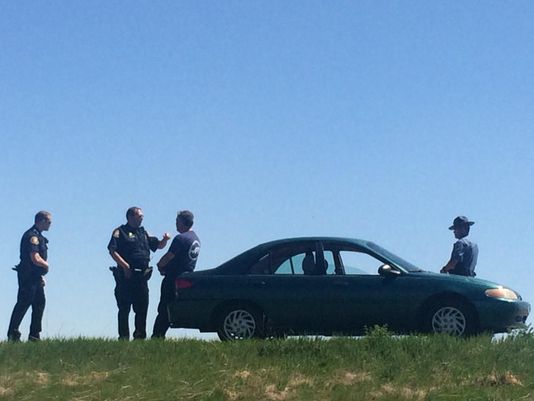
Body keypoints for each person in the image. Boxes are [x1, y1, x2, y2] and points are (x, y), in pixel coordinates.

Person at [108, 207, 170, 340]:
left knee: (142, 308)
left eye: (142, 216)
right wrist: (125, 266)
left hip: (141, 277)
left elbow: (158, 245)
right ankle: (123, 337)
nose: (142, 218)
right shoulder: (120, 232)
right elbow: (112, 250)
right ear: (130, 217)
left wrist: (164, 240)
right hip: (126, 276)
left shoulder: (144, 232)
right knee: (124, 308)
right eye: (139, 216)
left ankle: (140, 337)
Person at [152, 210, 200, 339]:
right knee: (174, 306)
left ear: (184, 222)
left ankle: (157, 336)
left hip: (173, 278)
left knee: (165, 307)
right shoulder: (196, 239)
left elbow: (169, 256)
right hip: (187, 278)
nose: (176, 224)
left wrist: (160, 265)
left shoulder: (181, 238)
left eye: (177, 222)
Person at [7, 211, 52, 341]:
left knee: (39, 303)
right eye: (49, 222)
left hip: (35, 276)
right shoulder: (32, 236)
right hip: (28, 276)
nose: (50, 225)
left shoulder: (38, 236)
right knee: (24, 303)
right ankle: (13, 334)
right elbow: (35, 257)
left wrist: (41, 275)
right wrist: (46, 265)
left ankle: (34, 336)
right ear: (41, 221)